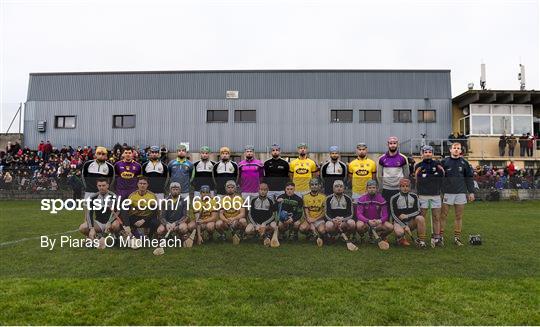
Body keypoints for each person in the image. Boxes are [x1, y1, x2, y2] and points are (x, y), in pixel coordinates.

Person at [439, 142, 475, 246]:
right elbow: (439, 178)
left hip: (460, 193)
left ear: (460, 151)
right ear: (450, 150)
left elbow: (469, 178)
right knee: (443, 216)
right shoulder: (444, 162)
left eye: (458, 148)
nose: (456, 150)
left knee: (458, 216)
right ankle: (440, 237)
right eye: (454, 148)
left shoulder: (464, 163)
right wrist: (440, 191)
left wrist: (471, 192)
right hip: (447, 193)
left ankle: (457, 238)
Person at [414, 145, 444, 247]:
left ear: (433, 154)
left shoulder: (438, 165)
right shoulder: (418, 166)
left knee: (436, 217)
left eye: (430, 152)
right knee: (422, 218)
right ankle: (421, 239)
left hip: (435, 194)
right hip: (423, 195)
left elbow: (442, 178)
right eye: (425, 152)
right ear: (421, 154)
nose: (428, 154)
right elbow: (416, 180)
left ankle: (437, 238)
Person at [389, 179, 427, 248]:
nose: (405, 188)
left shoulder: (414, 196)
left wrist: (407, 216)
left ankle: (421, 241)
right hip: (399, 222)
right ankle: (400, 238)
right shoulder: (394, 198)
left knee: (421, 218)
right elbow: (393, 214)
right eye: (403, 186)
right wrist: (403, 225)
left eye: (407, 186)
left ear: (410, 187)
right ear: (399, 187)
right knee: (399, 232)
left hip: (410, 222)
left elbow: (418, 211)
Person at [377, 136, 409, 206]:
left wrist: (403, 186)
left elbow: (406, 174)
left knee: (398, 210)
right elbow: (379, 175)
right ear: (387, 144)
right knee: (386, 210)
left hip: (399, 189)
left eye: (394, 143)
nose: (392, 145)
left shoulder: (403, 158)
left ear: (398, 144)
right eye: (391, 143)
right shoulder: (381, 158)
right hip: (386, 189)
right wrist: (381, 187)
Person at [299, 178, 326, 243]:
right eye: (312, 184)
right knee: (302, 228)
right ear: (309, 186)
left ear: (319, 186)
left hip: (319, 219)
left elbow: (324, 212)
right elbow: (306, 210)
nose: (314, 186)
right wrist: (309, 220)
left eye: (316, 184)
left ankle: (320, 235)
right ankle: (311, 234)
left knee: (322, 230)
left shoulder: (323, 197)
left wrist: (315, 219)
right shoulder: (305, 197)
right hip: (309, 219)